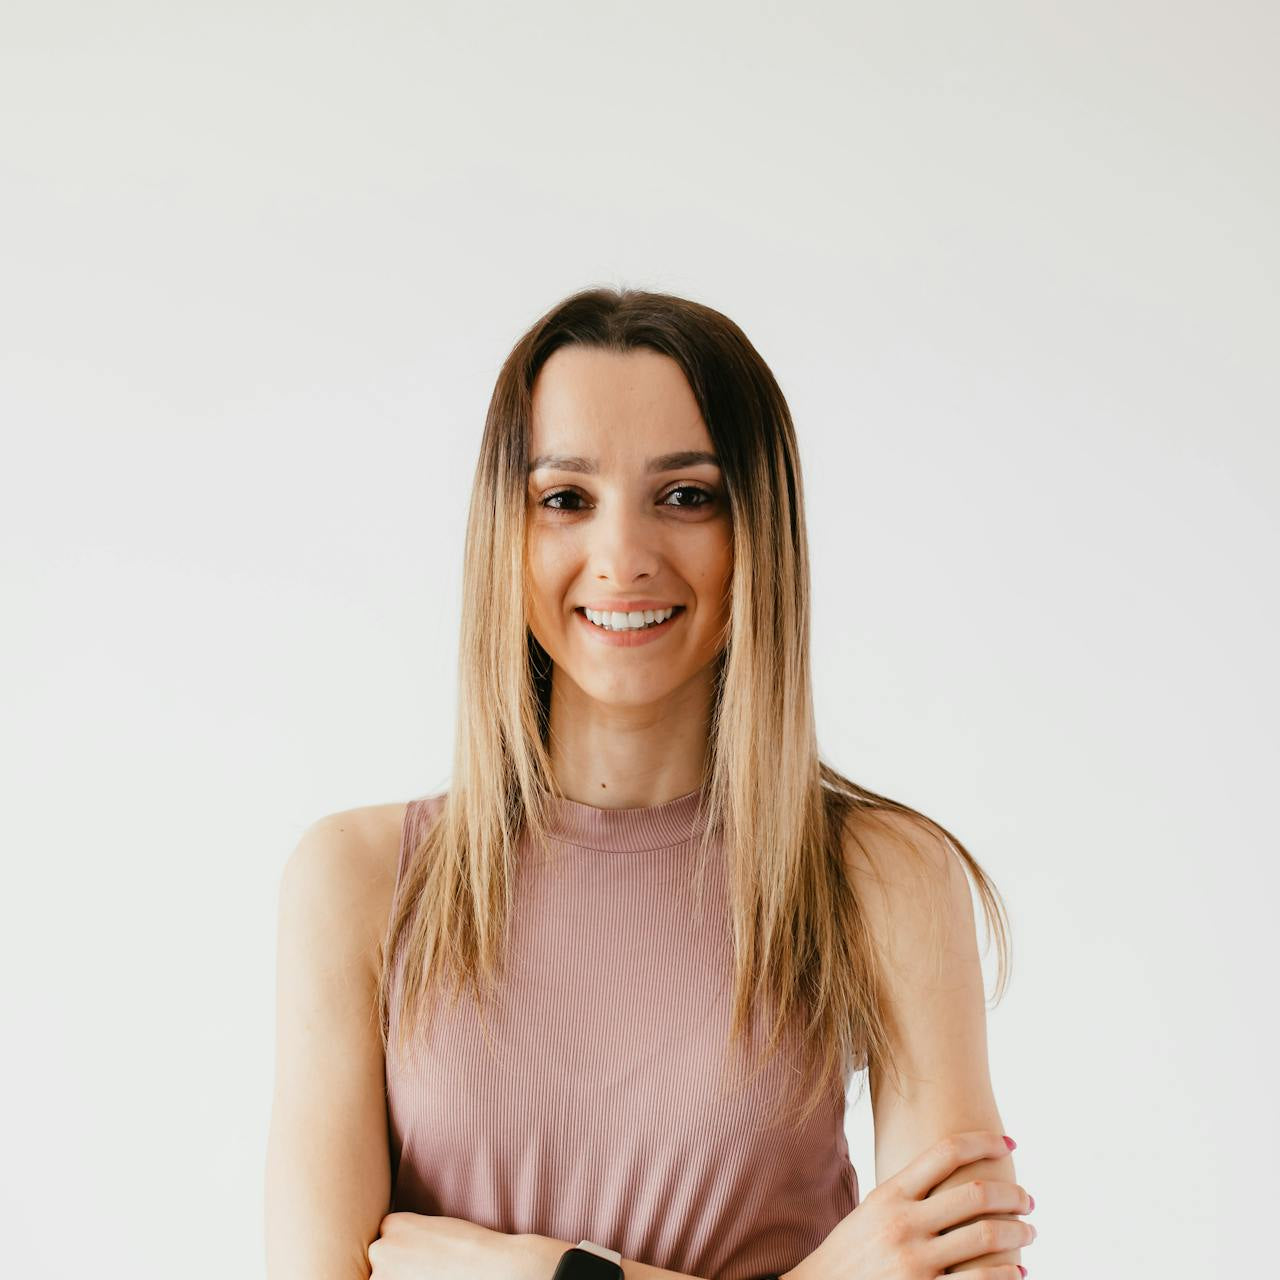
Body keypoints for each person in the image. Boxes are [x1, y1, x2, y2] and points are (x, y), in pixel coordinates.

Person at [264, 287, 1036, 1280]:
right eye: (564, 499)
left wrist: (548, 1275)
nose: (621, 556)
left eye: (685, 495)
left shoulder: (878, 874)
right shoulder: (360, 877)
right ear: (508, 532)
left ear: (756, 526)